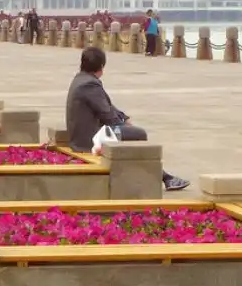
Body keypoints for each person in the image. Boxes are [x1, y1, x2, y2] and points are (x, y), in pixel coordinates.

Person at [66, 46, 191, 191]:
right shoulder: (90, 85)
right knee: (138, 134)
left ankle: (166, 178)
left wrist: (124, 118)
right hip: (90, 140)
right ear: (101, 66)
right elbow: (108, 116)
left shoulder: (81, 79)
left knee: (130, 132)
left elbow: (108, 107)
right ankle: (163, 178)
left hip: (85, 136)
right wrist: (123, 126)